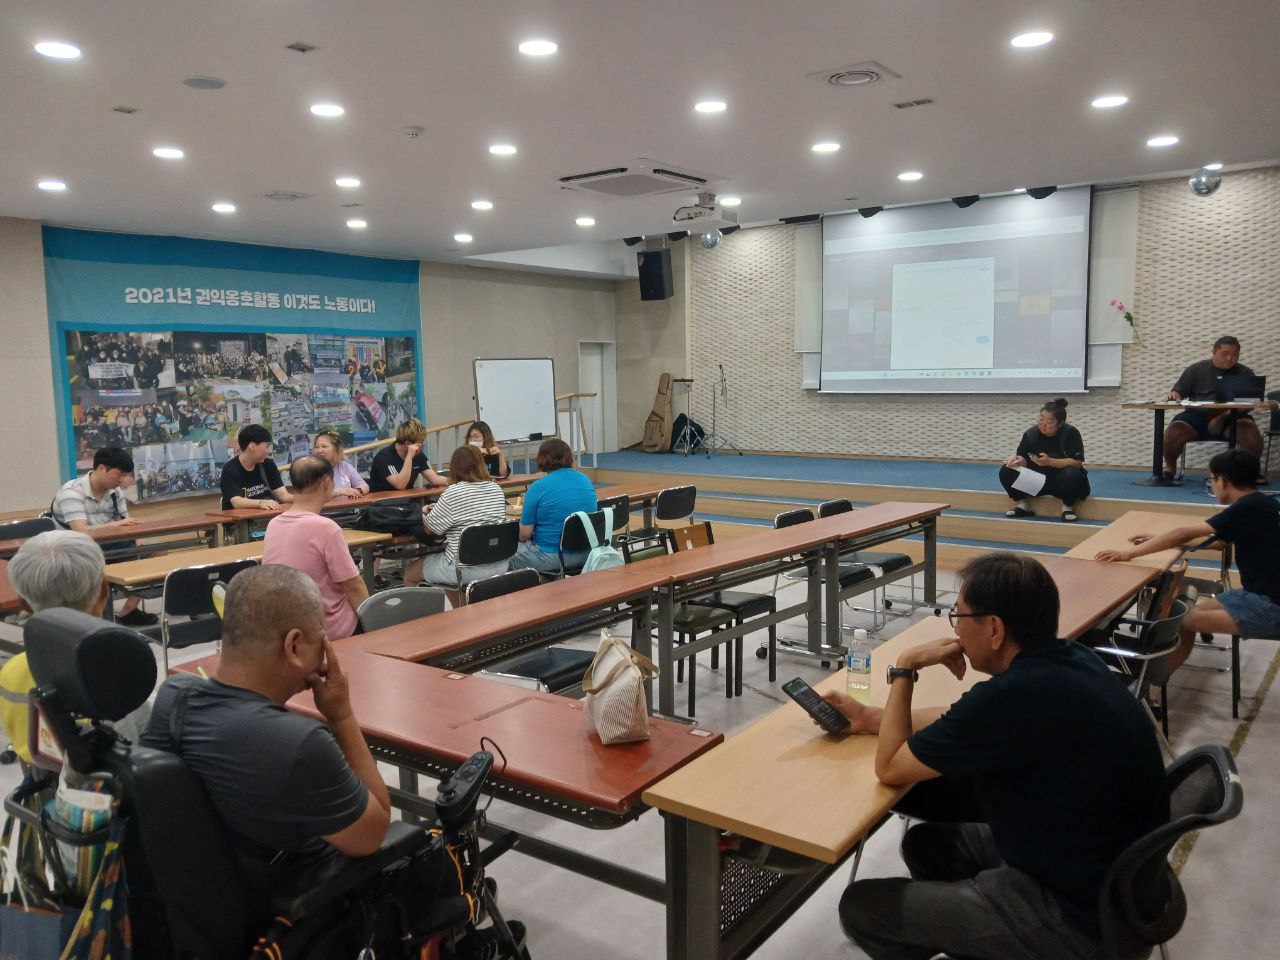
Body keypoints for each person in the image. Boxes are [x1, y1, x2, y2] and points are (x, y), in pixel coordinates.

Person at [825, 552, 1168, 960]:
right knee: (928, 844)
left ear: (993, 628)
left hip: (1075, 917)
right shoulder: (1071, 660)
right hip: (1110, 877)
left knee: (862, 907)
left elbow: (890, 767)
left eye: (959, 616)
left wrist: (905, 668)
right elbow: (961, 718)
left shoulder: (1012, 697)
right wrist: (869, 718)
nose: (956, 630)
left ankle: (1010, 935)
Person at [1097, 448, 1280, 670]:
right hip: (1260, 594)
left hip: (1268, 604)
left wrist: (1128, 554)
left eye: (1212, 479)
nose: (1212, 484)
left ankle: (1153, 677)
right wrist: (1160, 540)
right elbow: (1218, 542)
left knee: (1185, 620)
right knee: (1184, 617)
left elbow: (1186, 533)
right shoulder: (1263, 504)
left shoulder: (1246, 507)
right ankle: (1158, 676)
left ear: (1222, 480)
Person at [1, 531, 152, 761]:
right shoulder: (120, 676)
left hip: (42, 787)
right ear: (104, 591)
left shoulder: (9, 672)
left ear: (24, 604)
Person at [262, 456, 368, 640]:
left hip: (288, 631)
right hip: (329, 631)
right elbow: (354, 586)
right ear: (327, 483)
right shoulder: (327, 528)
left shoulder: (273, 524)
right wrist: (373, 624)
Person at [50, 446, 154, 625]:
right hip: (75, 550)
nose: (121, 480)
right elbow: (80, 531)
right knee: (95, 571)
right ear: (100, 468)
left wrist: (138, 538)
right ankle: (94, 622)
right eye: (118, 475)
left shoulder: (116, 492)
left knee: (154, 553)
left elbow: (125, 522)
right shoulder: (71, 492)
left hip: (109, 545)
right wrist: (114, 526)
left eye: (124, 476)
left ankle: (127, 613)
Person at [1161, 336, 1263, 480]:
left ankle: (1249, 473)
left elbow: (1250, 403)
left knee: (1250, 432)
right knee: (1174, 431)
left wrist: (1222, 416)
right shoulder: (1196, 370)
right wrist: (1174, 394)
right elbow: (1179, 391)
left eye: (1235, 355)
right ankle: (1169, 469)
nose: (1229, 358)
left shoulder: (1245, 373)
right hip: (1197, 416)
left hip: (1233, 416)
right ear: (1213, 352)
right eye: (1225, 354)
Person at [421, 446, 509, 589]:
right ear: (481, 464)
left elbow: (430, 530)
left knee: (411, 572)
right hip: (499, 564)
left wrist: (424, 512)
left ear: (454, 467)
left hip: (464, 569)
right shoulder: (496, 489)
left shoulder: (453, 492)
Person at [511, 438, 597, 574]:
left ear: (542, 459)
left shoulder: (537, 487)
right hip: (588, 554)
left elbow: (524, 535)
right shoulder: (585, 479)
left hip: (552, 557)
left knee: (506, 551)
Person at [998, 398, 1090, 523]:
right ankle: (1023, 505)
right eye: (1041, 418)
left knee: (1072, 473)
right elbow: (1023, 458)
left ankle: (1067, 507)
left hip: (1061, 483)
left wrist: (1050, 462)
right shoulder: (1031, 433)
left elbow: (1077, 462)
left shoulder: (1070, 433)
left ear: (1060, 423)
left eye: (1049, 421)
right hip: (1038, 482)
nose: (1043, 423)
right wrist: (1017, 461)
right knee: (1006, 471)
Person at [219, 424, 293, 511]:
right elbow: (236, 502)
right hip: (243, 521)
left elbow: (283, 496)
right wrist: (261, 503)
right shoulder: (229, 469)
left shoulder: (268, 464)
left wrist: (304, 498)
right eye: (266, 446)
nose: (268, 451)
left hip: (267, 517)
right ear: (252, 446)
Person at [368, 419, 447, 493]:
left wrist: (455, 481)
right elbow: (400, 485)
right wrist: (409, 457)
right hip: (383, 502)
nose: (423, 445)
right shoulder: (384, 457)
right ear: (408, 443)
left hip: (407, 500)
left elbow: (434, 478)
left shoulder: (418, 455)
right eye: (421, 442)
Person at [312, 431, 369, 498]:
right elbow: (311, 497)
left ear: (335, 449)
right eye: (316, 447)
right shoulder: (310, 470)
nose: (319, 451)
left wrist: (356, 492)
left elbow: (364, 485)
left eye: (324, 446)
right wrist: (338, 491)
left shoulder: (345, 466)